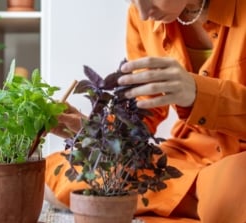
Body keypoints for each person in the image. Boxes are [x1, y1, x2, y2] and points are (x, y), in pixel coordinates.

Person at [44, 0, 246, 222]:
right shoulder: (144, 19)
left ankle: (182, 199)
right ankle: (201, 198)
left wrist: (201, 93)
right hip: (187, 156)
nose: (142, 14)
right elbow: (140, 113)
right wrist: (96, 133)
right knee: (55, 173)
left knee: (236, 180)